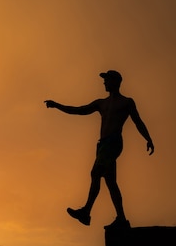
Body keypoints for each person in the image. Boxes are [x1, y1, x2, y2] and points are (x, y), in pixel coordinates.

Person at [45, 70, 154, 229]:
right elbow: (78, 110)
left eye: (107, 80)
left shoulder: (126, 102)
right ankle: (122, 219)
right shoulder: (101, 103)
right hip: (102, 145)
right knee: (110, 182)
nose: (104, 83)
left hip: (113, 143)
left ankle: (86, 211)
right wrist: (57, 105)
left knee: (95, 173)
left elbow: (138, 121)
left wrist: (148, 138)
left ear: (115, 82)